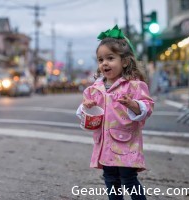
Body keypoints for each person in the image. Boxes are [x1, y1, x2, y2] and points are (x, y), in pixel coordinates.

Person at [76, 25, 154, 200]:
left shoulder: (134, 85)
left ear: (124, 61)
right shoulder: (95, 89)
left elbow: (147, 107)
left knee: (128, 180)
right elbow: (83, 113)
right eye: (100, 59)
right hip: (105, 145)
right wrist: (86, 107)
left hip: (126, 144)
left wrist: (133, 104)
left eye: (110, 58)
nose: (104, 63)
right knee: (111, 180)